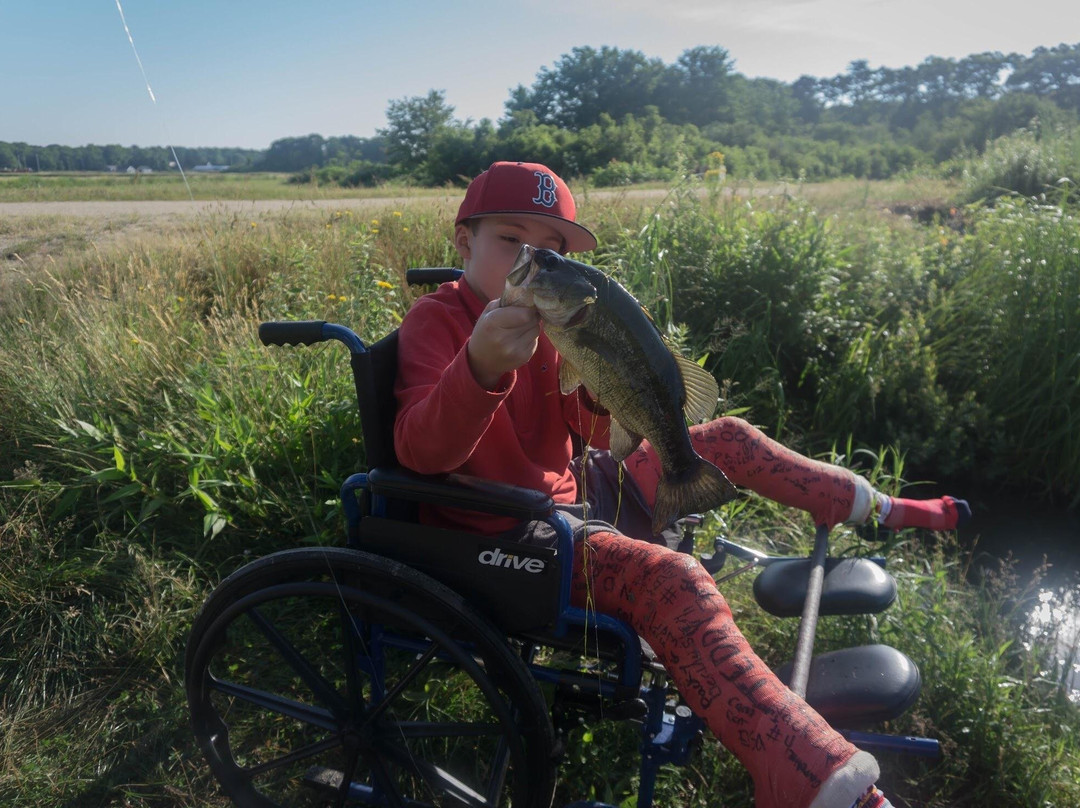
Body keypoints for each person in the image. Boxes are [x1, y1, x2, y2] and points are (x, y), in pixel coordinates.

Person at [393, 160, 970, 808]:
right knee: (674, 580)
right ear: (463, 242)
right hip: (501, 532)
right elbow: (420, 453)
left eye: (552, 250)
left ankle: (881, 506)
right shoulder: (436, 324)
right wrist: (480, 366)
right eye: (511, 239)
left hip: (580, 493)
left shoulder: (553, 323)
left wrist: (610, 378)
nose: (534, 258)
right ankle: (811, 777)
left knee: (729, 438)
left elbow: (583, 432)